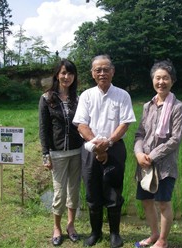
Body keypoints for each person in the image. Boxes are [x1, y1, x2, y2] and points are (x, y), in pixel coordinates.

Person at [73, 54, 136, 248]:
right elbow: (81, 124)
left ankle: (115, 234)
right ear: (92, 73)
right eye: (98, 70)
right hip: (91, 149)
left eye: (106, 69)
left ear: (113, 71)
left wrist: (107, 143)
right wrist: (96, 143)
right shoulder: (86, 96)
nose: (102, 73)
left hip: (115, 148)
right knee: (92, 192)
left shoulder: (122, 95)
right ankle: (95, 232)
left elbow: (125, 124)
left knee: (114, 192)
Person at [134, 60, 182, 248]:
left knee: (163, 203)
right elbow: (140, 133)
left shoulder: (178, 107)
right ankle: (154, 234)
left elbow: (175, 139)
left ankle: (163, 241)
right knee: (146, 201)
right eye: (158, 78)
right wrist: (139, 154)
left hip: (165, 165)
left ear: (172, 81)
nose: (161, 82)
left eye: (166, 78)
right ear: (152, 80)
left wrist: (152, 156)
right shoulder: (148, 106)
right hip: (144, 164)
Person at [39, 59, 83, 246]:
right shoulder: (47, 98)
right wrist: (45, 154)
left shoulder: (78, 99)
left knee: (74, 191)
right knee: (59, 193)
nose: (67, 77)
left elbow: (83, 124)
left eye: (71, 73)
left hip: (77, 151)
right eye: (63, 73)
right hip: (57, 153)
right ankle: (56, 227)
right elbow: (43, 129)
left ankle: (70, 225)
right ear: (57, 74)